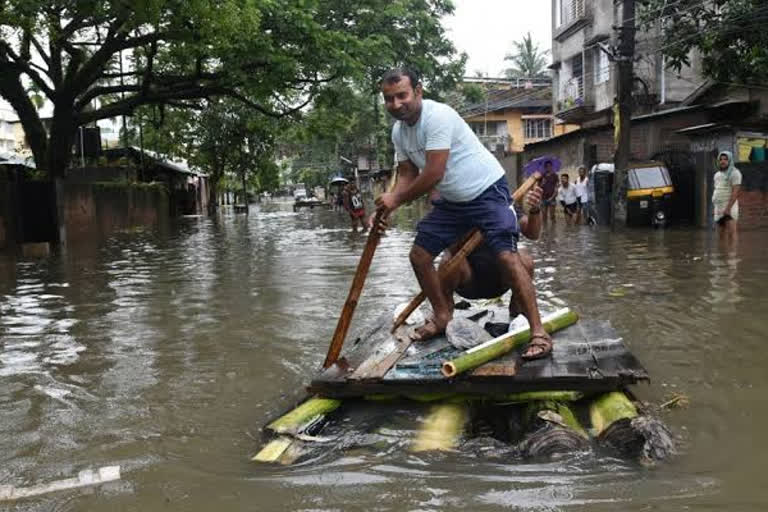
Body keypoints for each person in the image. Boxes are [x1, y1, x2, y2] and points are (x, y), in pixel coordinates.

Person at [372, 68, 552, 360]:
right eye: (389, 99)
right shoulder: (399, 132)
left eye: (401, 95)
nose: (396, 104)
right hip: (454, 201)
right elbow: (407, 173)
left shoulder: (437, 116)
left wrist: (396, 199)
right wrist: (389, 202)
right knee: (419, 255)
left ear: (418, 91)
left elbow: (433, 172)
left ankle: (538, 332)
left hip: (487, 191)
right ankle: (443, 315)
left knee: (509, 256)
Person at [440, 185, 543, 321]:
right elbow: (450, 246)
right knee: (448, 260)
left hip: (501, 280)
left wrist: (535, 210)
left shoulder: (504, 203)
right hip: (468, 282)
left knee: (525, 259)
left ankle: (518, 309)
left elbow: (533, 233)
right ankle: (444, 313)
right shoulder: (457, 206)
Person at [712, 150, 742, 242]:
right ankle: (723, 255)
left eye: (725, 159)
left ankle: (732, 255)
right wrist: (715, 207)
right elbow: (717, 190)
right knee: (720, 235)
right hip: (718, 208)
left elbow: (735, 192)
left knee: (731, 234)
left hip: (730, 207)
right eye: (721, 159)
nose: (723, 161)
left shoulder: (735, 173)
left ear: (730, 161)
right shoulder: (717, 175)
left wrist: (728, 208)